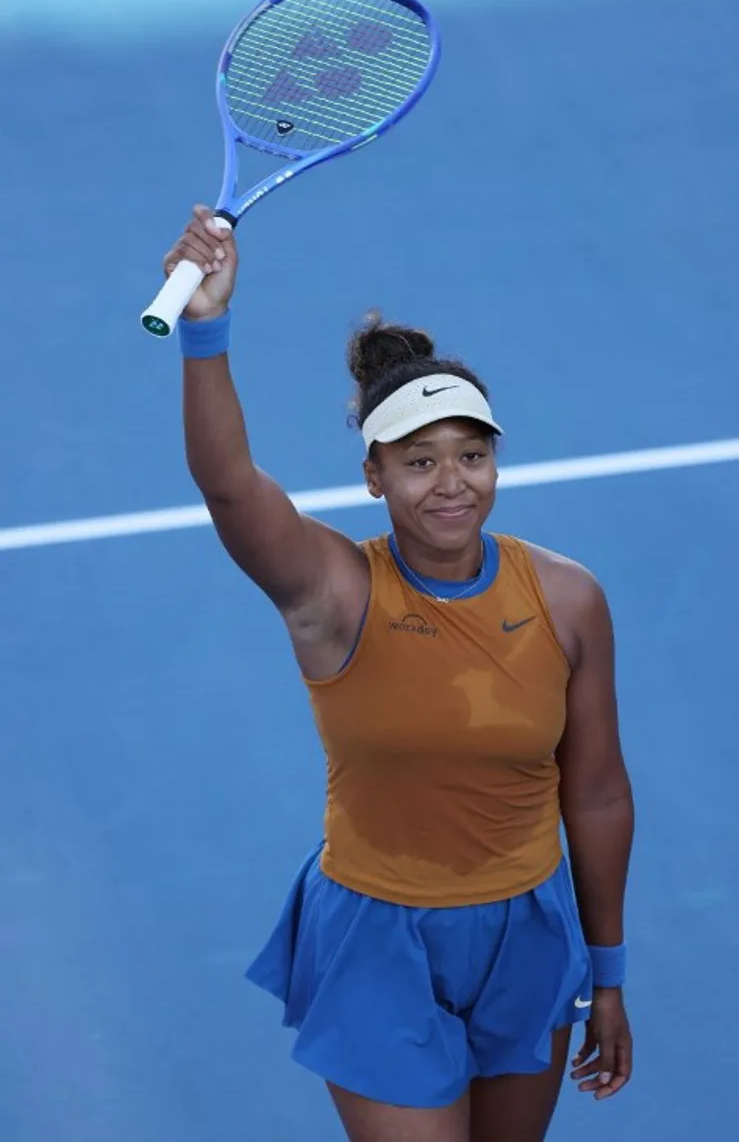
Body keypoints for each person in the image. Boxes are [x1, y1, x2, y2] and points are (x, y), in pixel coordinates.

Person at [165, 206, 635, 1142]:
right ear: (375, 477)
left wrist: (608, 975)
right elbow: (229, 486)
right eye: (420, 462)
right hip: (377, 940)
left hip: (527, 938)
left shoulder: (569, 599)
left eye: (472, 455)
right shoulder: (331, 590)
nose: (452, 482)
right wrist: (205, 328)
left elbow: (596, 792)